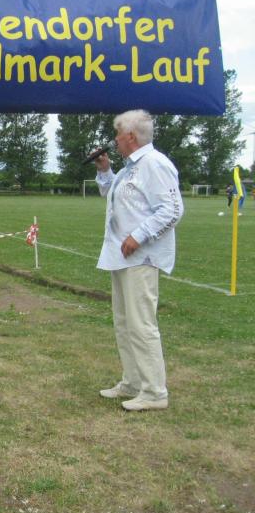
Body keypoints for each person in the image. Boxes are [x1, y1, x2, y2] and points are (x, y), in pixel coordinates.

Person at [93, 109, 184, 412]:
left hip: (141, 256)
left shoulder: (155, 164)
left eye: (118, 134)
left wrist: (139, 236)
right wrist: (105, 170)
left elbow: (172, 209)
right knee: (124, 323)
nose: (115, 140)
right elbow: (113, 196)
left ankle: (155, 392)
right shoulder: (130, 168)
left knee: (141, 324)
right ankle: (133, 381)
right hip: (121, 257)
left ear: (130, 136)